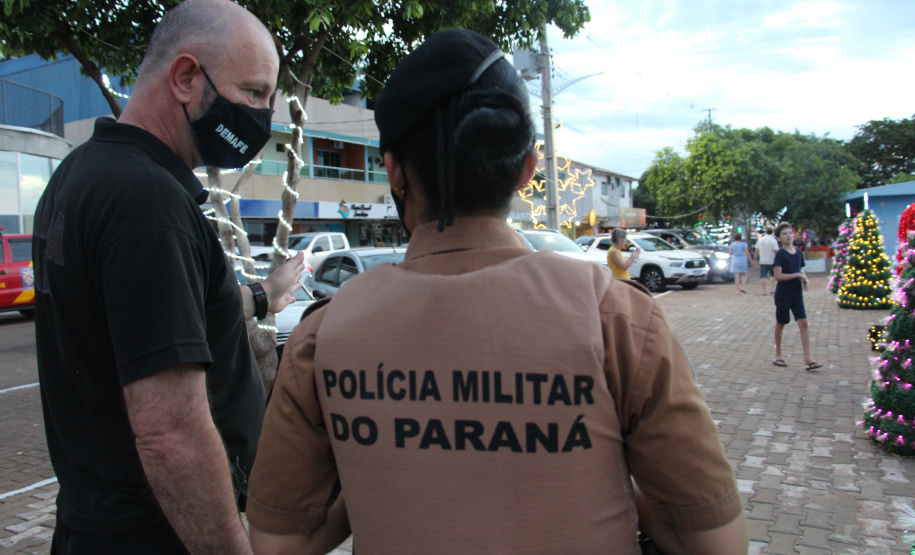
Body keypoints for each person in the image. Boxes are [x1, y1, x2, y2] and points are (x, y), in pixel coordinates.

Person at [247, 29, 748, 555]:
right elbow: (716, 541)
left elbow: (278, 543)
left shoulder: (323, 335)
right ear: (527, 169)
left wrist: (380, 463)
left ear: (394, 169)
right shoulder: (617, 320)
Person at [31, 1, 305, 552]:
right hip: (155, 536)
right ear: (185, 77)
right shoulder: (147, 202)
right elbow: (170, 434)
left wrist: (261, 297)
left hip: (91, 523)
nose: (262, 117)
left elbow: (156, 318)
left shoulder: (80, 175)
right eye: (253, 93)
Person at [772, 223, 822, 370]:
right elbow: (778, 276)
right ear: (779, 238)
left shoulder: (798, 253)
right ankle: (778, 354)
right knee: (781, 323)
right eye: (785, 234)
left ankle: (808, 357)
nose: (788, 236)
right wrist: (798, 275)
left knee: (804, 322)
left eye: (790, 233)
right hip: (783, 294)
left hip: (796, 294)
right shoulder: (780, 254)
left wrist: (804, 279)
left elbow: (800, 269)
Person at [754, 227, 779, 295]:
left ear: (765, 232)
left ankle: (764, 290)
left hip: (763, 261)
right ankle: (772, 289)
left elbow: (756, 251)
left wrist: (755, 260)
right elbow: (776, 251)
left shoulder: (760, 240)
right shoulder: (773, 240)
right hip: (772, 260)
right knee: (773, 275)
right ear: (772, 233)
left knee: (763, 276)